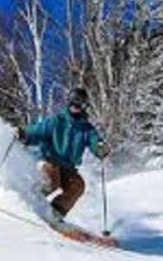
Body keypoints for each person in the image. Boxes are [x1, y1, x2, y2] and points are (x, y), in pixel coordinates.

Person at [17, 88, 110, 219]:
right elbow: (38, 130)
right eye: (73, 103)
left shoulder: (87, 129)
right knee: (51, 181)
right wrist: (26, 134)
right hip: (50, 161)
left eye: (79, 104)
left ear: (85, 106)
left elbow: (95, 141)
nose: (75, 107)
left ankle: (55, 212)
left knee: (78, 185)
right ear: (68, 103)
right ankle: (27, 199)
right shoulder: (57, 121)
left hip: (68, 167)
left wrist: (100, 148)